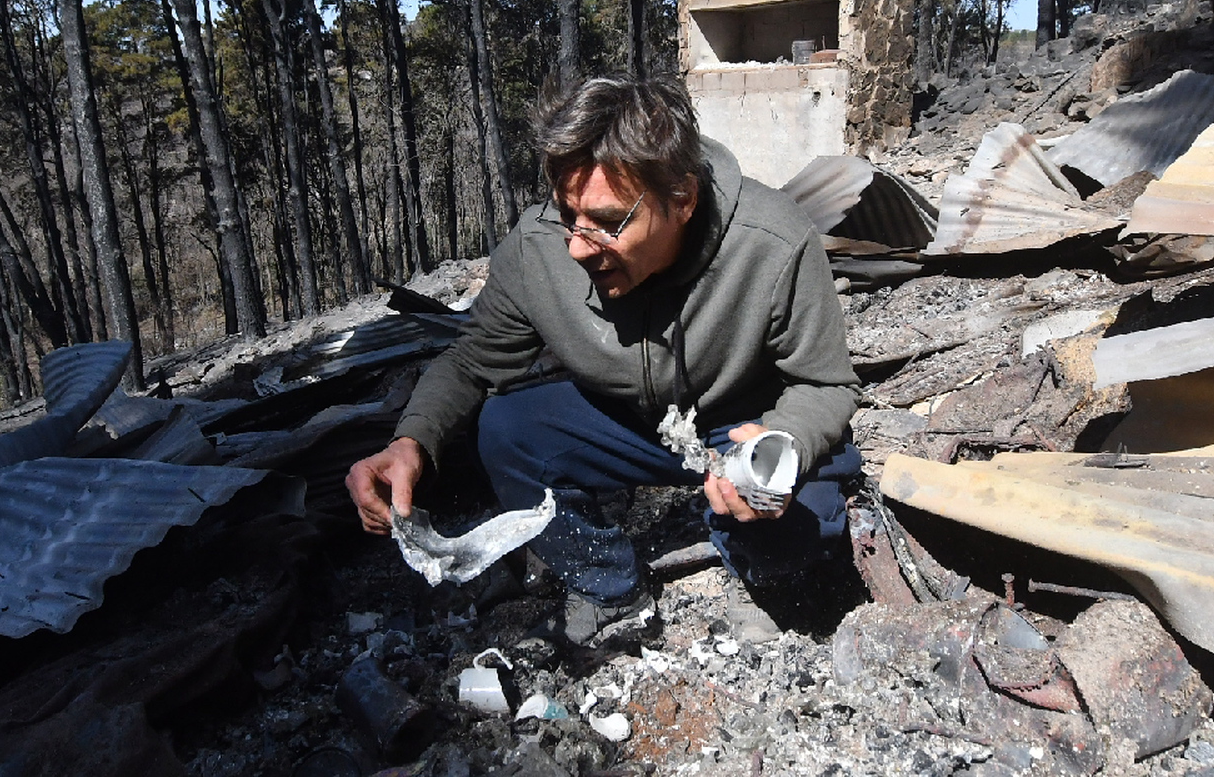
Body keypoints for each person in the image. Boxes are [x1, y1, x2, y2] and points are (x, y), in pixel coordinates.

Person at [346, 75, 862, 646]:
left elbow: (825, 384)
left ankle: (758, 568)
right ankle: (610, 587)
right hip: (626, 424)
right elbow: (472, 360)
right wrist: (410, 441)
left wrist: (777, 444)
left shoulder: (771, 239)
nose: (576, 246)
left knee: (797, 524)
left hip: (742, 427)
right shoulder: (539, 248)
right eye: (569, 215)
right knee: (508, 430)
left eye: (609, 222)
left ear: (683, 199)